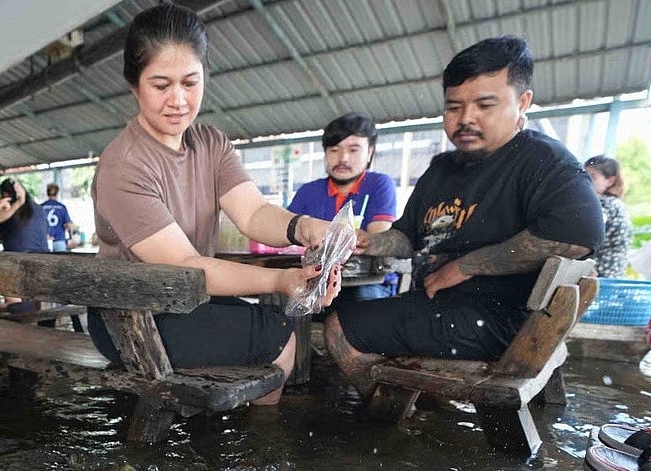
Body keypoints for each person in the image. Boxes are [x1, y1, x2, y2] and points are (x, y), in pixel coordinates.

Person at [323, 35, 604, 398]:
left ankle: (392, 415)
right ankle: (416, 402)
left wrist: (467, 265)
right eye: (454, 107)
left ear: (523, 103)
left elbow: (579, 235)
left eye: (485, 105)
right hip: (440, 308)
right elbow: (408, 236)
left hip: (502, 320)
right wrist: (370, 241)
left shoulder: (542, 160)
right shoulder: (442, 168)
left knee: (338, 328)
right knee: (364, 314)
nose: (466, 119)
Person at [89, 3, 340, 405]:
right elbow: (185, 266)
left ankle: (238, 440)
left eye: (190, 82)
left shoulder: (210, 143)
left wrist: (305, 227)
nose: (178, 100)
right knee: (276, 336)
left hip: (186, 298)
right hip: (131, 315)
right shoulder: (124, 164)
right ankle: (260, 448)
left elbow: (254, 213)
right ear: (133, 85)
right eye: (160, 85)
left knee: (273, 324)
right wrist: (280, 280)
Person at [289, 112, 398, 301]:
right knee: (277, 303)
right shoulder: (308, 191)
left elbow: (378, 237)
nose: (343, 158)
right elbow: (286, 239)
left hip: (366, 282)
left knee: (362, 305)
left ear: (370, 152)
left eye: (354, 150)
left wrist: (366, 240)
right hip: (314, 281)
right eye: (334, 150)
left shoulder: (380, 184)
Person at [584, 155, 633, 277]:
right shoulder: (616, 203)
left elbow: (585, 236)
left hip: (598, 276)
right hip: (614, 275)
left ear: (610, 181)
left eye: (592, 176)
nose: (585, 180)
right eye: (584, 175)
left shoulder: (603, 205)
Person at [0, 178, 50, 253]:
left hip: (17, 257)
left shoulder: (9, 210)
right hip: (43, 255)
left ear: (6, 194)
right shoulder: (40, 209)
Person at [40, 183, 80, 252]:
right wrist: (71, 236)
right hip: (59, 240)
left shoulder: (41, 207)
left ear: (47, 193)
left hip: (44, 240)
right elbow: (69, 225)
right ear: (57, 193)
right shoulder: (62, 207)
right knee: (60, 262)